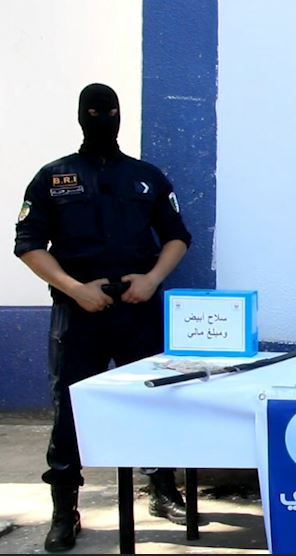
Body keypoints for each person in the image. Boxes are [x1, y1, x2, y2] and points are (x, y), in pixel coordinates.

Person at [14, 84, 193, 552]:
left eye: (109, 110)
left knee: (152, 400)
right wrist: (75, 289)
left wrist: (152, 280)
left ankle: (162, 489)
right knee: (69, 409)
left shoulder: (147, 177)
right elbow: (28, 245)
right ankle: (64, 508)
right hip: (78, 313)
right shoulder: (52, 178)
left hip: (138, 309)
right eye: (94, 112)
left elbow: (177, 237)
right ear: (81, 116)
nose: (103, 118)